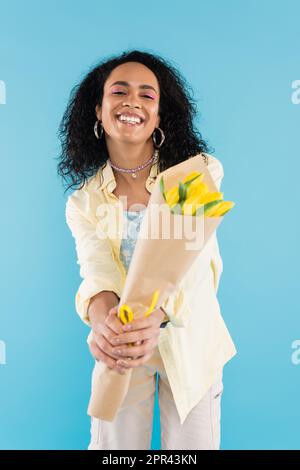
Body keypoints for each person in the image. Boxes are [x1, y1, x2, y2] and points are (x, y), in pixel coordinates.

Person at [58, 49, 237, 450]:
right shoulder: (83, 202)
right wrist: (104, 324)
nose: (132, 101)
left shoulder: (199, 171)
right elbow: (97, 270)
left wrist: (156, 317)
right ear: (99, 112)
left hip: (190, 339)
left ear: (159, 116)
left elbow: (194, 265)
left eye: (147, 94)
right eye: (118, 92)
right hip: (123, 342)